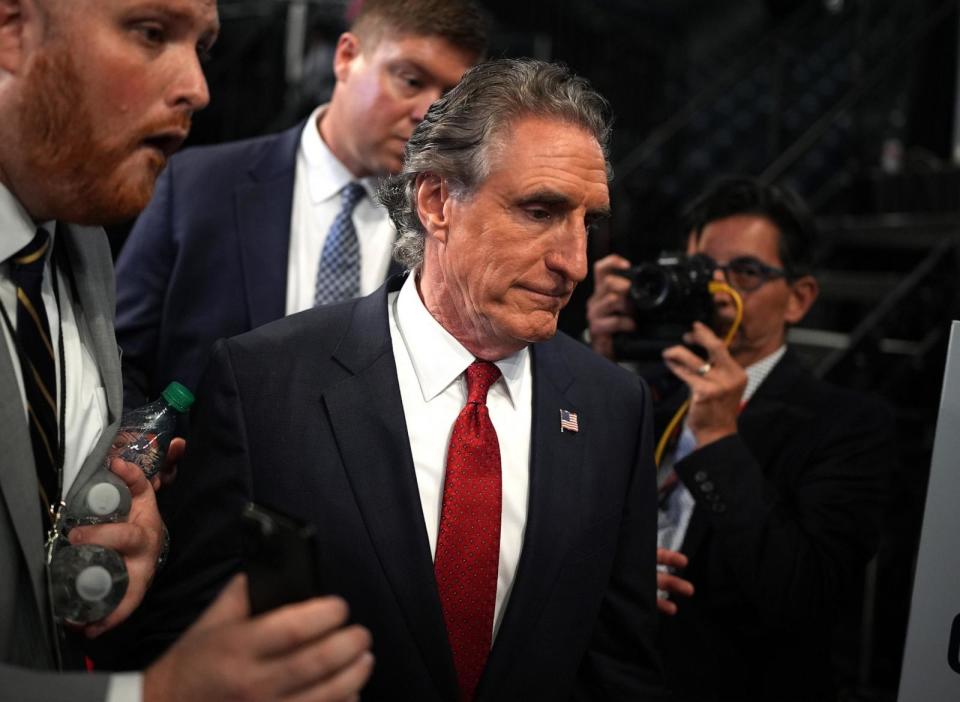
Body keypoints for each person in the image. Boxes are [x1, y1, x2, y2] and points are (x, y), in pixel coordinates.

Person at [125, 58, 668, 700]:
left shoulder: (615, 408)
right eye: (540, 210)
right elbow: (187, 644)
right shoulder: (264, 383)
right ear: (437, 201)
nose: (573, 262)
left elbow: (620, 669)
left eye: (589, 222)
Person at [0, 1, 372, 700]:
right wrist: (154, 696)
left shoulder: (80, 242)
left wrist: (135, 538)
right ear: (11, 30)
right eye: (150, 33)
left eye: (201, 44)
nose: (198, 87)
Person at [587, 176, 895, 701]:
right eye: (703, 269)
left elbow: (804, 595)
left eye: (745, 272)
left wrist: (717, 439)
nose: (716, 288)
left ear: (799, 299)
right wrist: (595, 361)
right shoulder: (637, 386)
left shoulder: (849, 425)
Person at [114, 0, 487, 410]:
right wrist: (137, 451)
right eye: (411, 81)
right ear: (346, 57)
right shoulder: (196, 187)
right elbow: (116, 355)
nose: (428, 114)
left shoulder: (452, 226)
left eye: (450, 99)